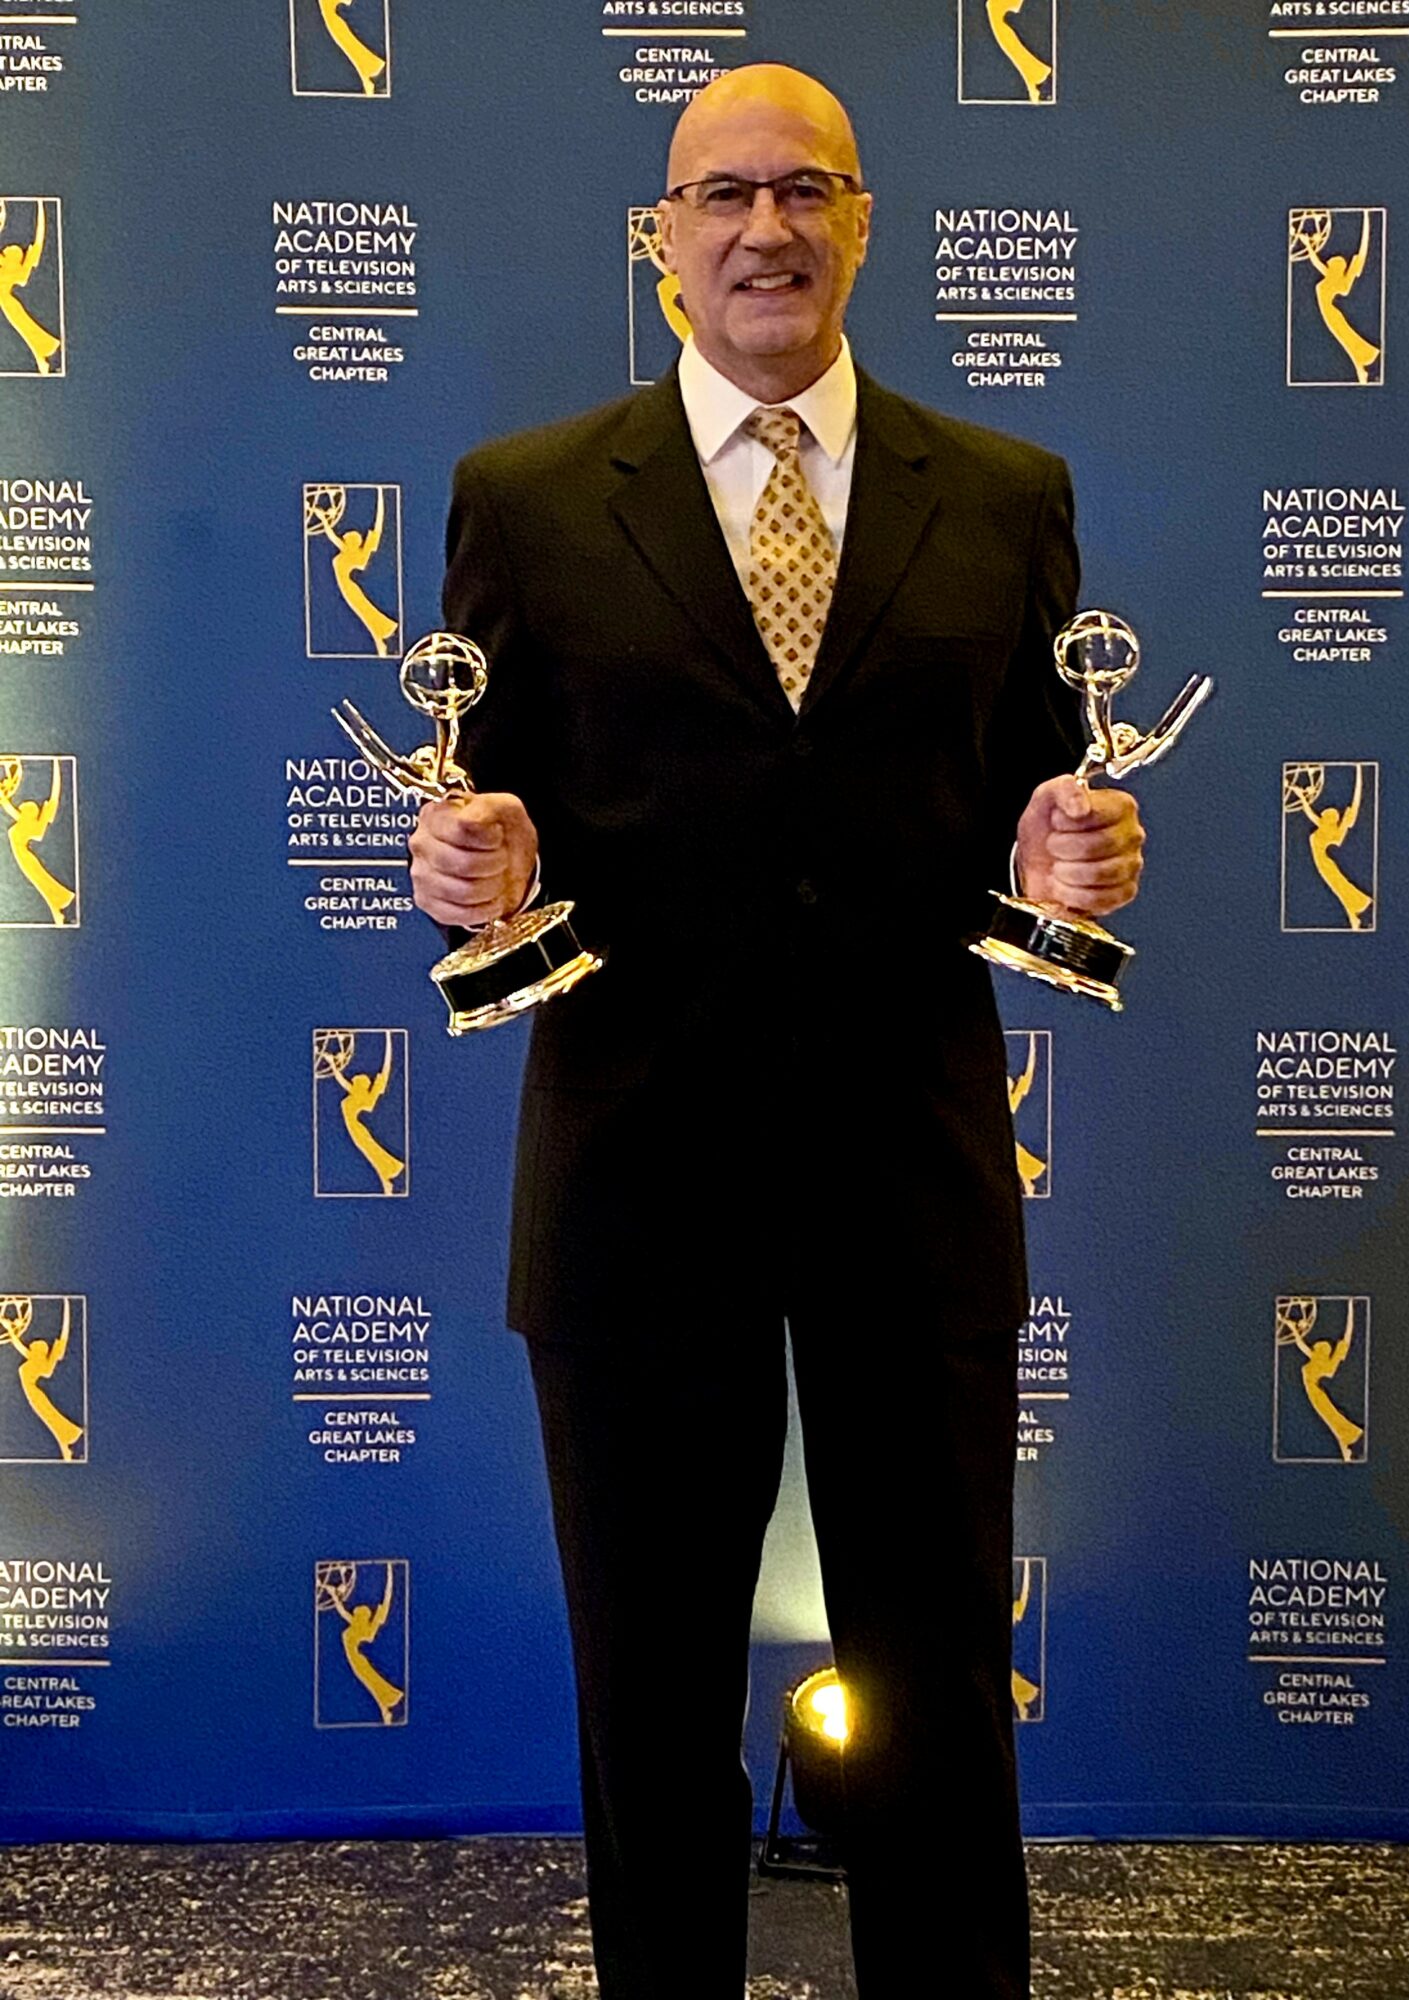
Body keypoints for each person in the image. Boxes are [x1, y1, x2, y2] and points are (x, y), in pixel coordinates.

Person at [410, 64, 1144, 2000]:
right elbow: (489, 801)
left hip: (912, 1176)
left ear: (863, 223)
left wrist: (1076, 854)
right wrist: (463, 864)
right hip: (635, 1178)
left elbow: (1042, 800)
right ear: (663, 239)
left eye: (805, 190)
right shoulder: (527, 499)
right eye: (722, 194)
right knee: (649, 1688)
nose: (765, 229)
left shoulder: (1006, 498)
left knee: (938, 1678)